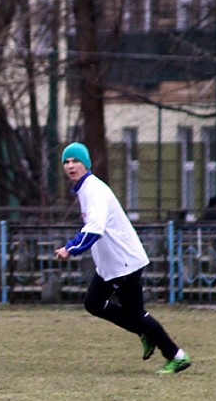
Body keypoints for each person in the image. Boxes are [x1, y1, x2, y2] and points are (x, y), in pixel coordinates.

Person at [53, 142, 191, 375]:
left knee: (136, 314)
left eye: (75, 161)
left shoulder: (94, 190)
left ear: (86, 164)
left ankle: (176, 356)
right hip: (110, 266)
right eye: (66, 161)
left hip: (124, 263)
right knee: (94, 303)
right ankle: (143, 332)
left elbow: (95, 229)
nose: (70, 165)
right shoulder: (85, 189)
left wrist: (70, 248)